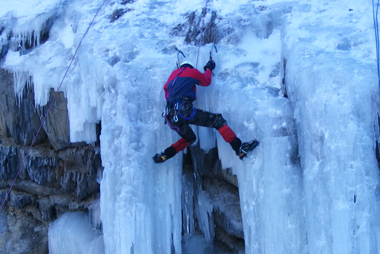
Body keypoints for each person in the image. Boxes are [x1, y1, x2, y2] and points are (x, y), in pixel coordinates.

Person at [153, 59, 258, 163]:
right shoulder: (191, 71)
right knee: (218, 120)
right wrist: (208, 68)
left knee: (190, 138)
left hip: (170, 115)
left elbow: (167, 93)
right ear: (190, 66)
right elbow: (206, 81)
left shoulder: (172, 76)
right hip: (183, 109)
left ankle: (165, 155)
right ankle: (239, 148)